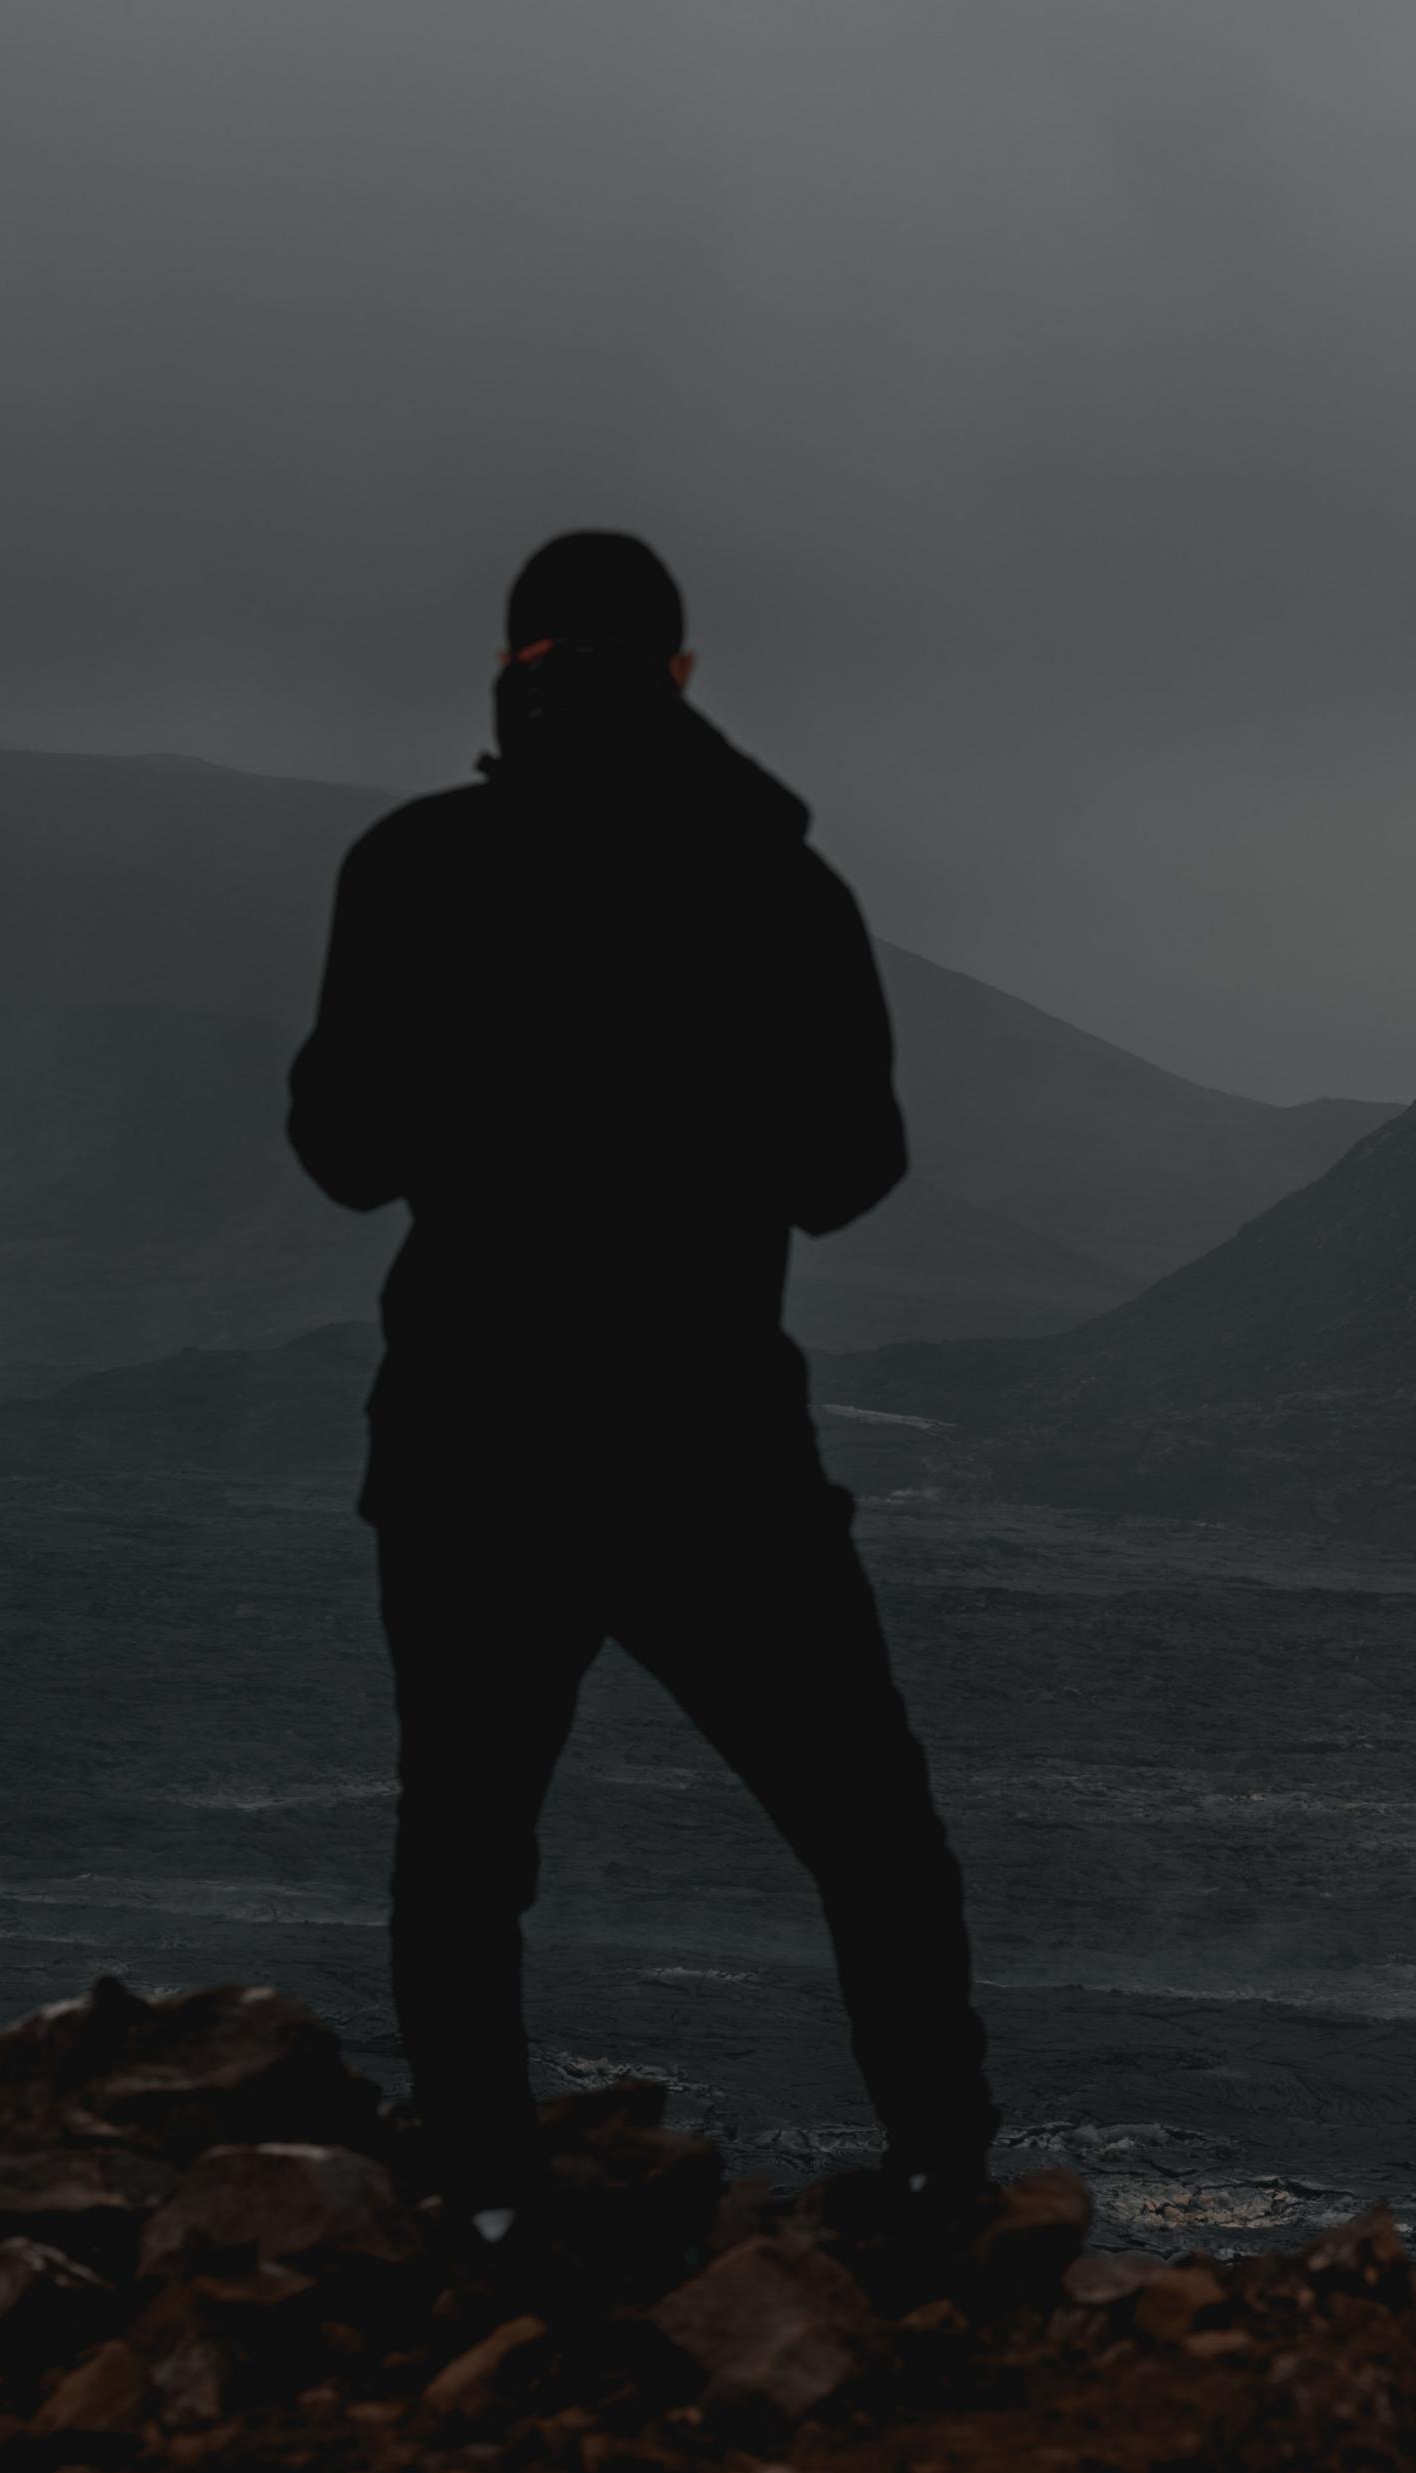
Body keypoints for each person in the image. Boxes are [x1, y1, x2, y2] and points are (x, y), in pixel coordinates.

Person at [288, 530, 996, 2251]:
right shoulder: (775, 884)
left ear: (517, 662)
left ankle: (483, 2193)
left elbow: (341, 1150)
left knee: (463, 1842)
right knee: (865, 1823)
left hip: (472, 1431)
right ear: (680, 676)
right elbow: (848, 1171)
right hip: (707, 1441)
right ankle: (937, 2172)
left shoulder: (415, 864)